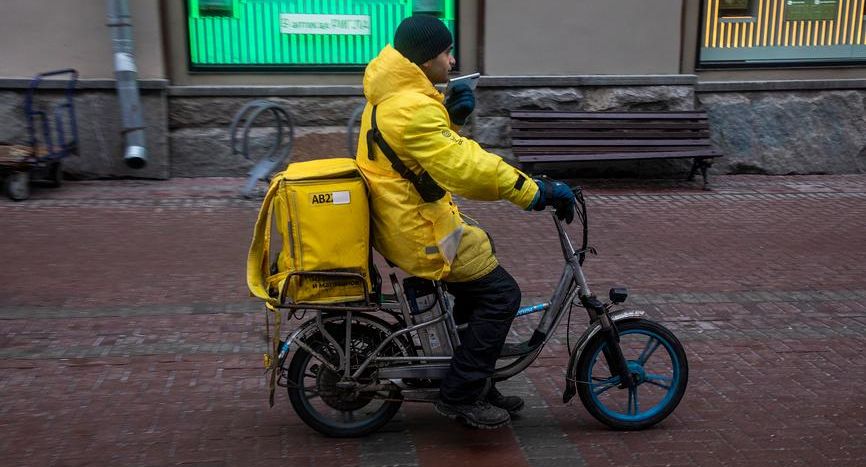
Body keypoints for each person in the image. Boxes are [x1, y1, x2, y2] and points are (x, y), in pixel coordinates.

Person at [356, 14, 576, 428]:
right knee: (502, 296)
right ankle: (460, 393)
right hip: (420, 234)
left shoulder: (395, 96)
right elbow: (464, 167)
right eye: (446, 52)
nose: (453, 61)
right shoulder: (412, 108)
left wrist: (453, 118)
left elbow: (421, 153)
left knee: (480, 272)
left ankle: (475, 380)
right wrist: (534, 192)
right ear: (424, 62)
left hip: (413, 221)